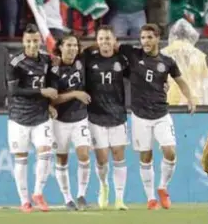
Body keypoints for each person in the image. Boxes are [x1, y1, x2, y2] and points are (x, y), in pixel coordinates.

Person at [118, 24, 196, 210]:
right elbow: (112, 46)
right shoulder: (133, 54)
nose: (145, 41)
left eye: (149, 37)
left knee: (170, 151)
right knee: (146, 156)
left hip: (161, 113)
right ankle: (151, 198)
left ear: (157, 39)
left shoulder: (168, 62)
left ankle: (162, 187)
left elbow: (181, 81)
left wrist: (190, 98)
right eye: (143, 37)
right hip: (140, 116)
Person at [7, 24, 58, 213]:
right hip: (18, 116)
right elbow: (13, 91)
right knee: (21, 159)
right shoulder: (15, 62)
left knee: (45, 152)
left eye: (35, 41)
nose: (32, 45)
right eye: (28, 41)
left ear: (40, 41)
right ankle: (24, 201)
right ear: (23, 42)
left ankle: (38, 193)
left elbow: (52, 85)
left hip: (41, 116)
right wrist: (40, 92)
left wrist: (51, 104)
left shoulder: (47, 60)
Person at [82, 25, 130, 210]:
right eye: (101, 39)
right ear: (97, 42)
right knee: (102, 159)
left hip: (118, 115)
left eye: (108, 39)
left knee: (119, 156)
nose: (105, 42)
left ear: (114, 41)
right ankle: (103, 186)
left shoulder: (122, 61)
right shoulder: (89, 60)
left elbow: (137, 78)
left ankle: (119, 199)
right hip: (95, 115)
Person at [51, 35, 91, 211]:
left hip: (80, 118)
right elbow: (53, 98)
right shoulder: (53, 69)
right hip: (60, 121)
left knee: (84, 155)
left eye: (75, 45)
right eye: (68, 45)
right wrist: (74, 94)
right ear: (60, 47)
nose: (72, 48)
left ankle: (81, 195)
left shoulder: (81, 61)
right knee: (62, 159)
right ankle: (67, 198)